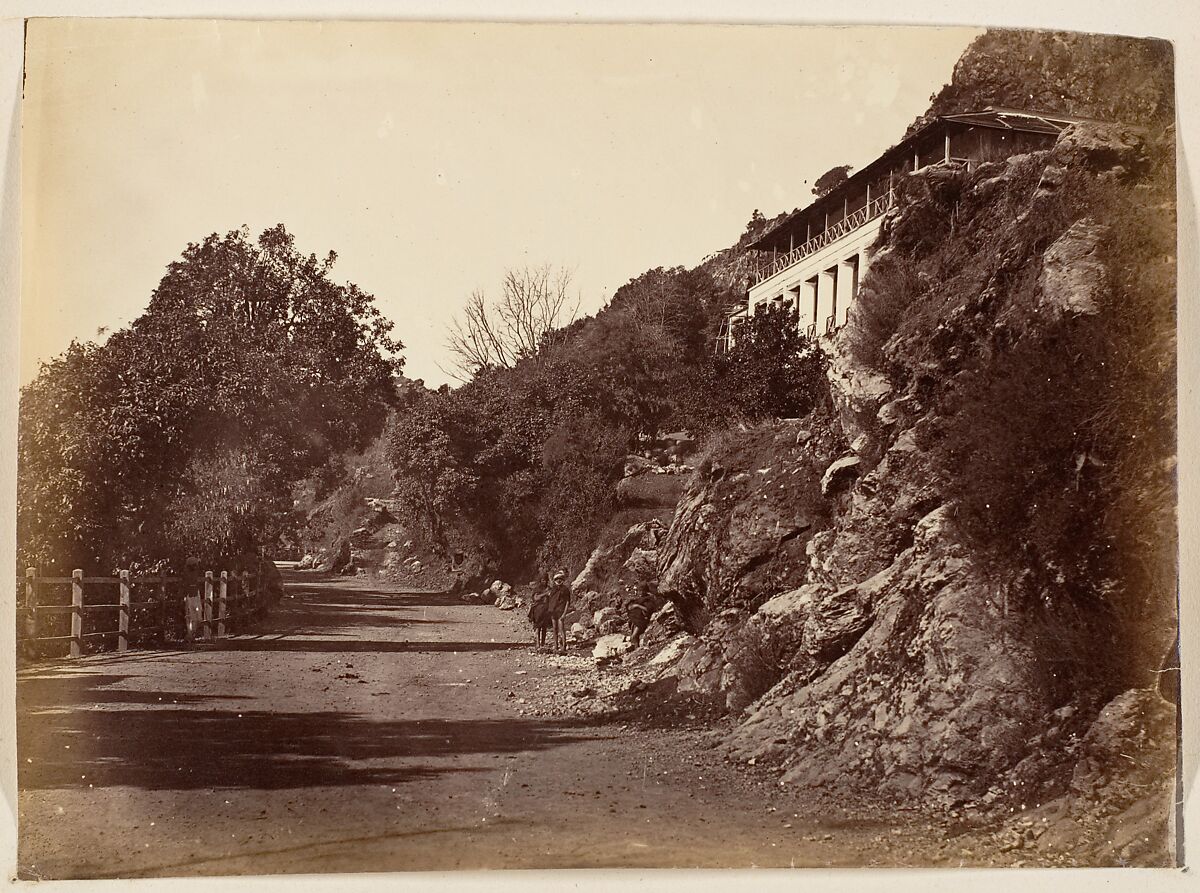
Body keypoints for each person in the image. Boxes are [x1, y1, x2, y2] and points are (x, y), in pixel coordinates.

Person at [546, 569, 571, 654]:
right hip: (553, 611)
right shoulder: (553, 589)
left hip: (561, 611)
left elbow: (567, 602)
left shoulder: (565, 589)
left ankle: (564, 646)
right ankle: (556, 646)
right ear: (555, 580)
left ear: (562, 580)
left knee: (561, 629)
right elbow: (550, 600)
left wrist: (564, 613)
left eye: (560, 579)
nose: (558, 580)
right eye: (557, 579)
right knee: (555, 629)